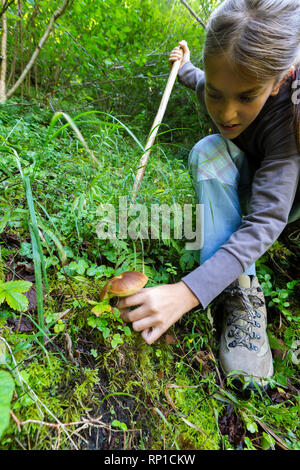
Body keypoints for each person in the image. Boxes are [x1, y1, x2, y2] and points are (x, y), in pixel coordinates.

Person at [118, 0, 300, 388]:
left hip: (285, 201)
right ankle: (236, 287)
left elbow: (267, 219)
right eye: (217, 95)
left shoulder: (289, 122)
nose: (227, 113)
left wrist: (187, 292)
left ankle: (243, 303)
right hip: (253, 183)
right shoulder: (219, 86)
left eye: (246, 97)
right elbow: (196, 78)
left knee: (269, 219)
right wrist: (181, 63)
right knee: (208, 149)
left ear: (280, 80)